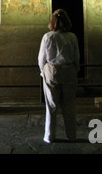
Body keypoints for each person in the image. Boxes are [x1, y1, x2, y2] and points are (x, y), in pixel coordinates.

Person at [38, 9, 80, 143]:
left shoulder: (48, 37)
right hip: (68, 70)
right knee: (69, 106)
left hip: (52, 70)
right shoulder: (72, 37)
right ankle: (71, 135)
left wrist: (42, 71)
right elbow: (76, 57)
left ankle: (49, 136)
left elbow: (41, 58)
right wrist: (75, 70)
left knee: (51, 106)